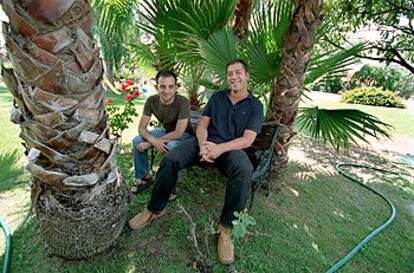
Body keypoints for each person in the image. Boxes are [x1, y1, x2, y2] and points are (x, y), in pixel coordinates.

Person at [128, 59, 264, 265]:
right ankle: (154, 209)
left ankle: (226, 229)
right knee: (171, 158)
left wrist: (218, 149)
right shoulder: (218, 98)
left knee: (244, 171)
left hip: (231, 149)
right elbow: (202, 125)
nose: (233, 77)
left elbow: (247, 139)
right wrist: (202, 145)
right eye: (230, 73)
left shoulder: (255, 105)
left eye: (238, 73)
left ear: (246, 76)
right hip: (204, 142)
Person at [130, 70, 193, 198]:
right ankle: (144, 177)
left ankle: (171, 184)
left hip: (185, 136)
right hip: (166, 132)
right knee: (137, 141)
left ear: (176, 87)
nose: (166, 90)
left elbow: (179, 132)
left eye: (171, 86)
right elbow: (142, 128)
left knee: (172, 146)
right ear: (156, 87)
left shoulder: (182, 102)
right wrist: (154, 141)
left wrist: (149, 143)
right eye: (162, 86)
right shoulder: (151, 101)